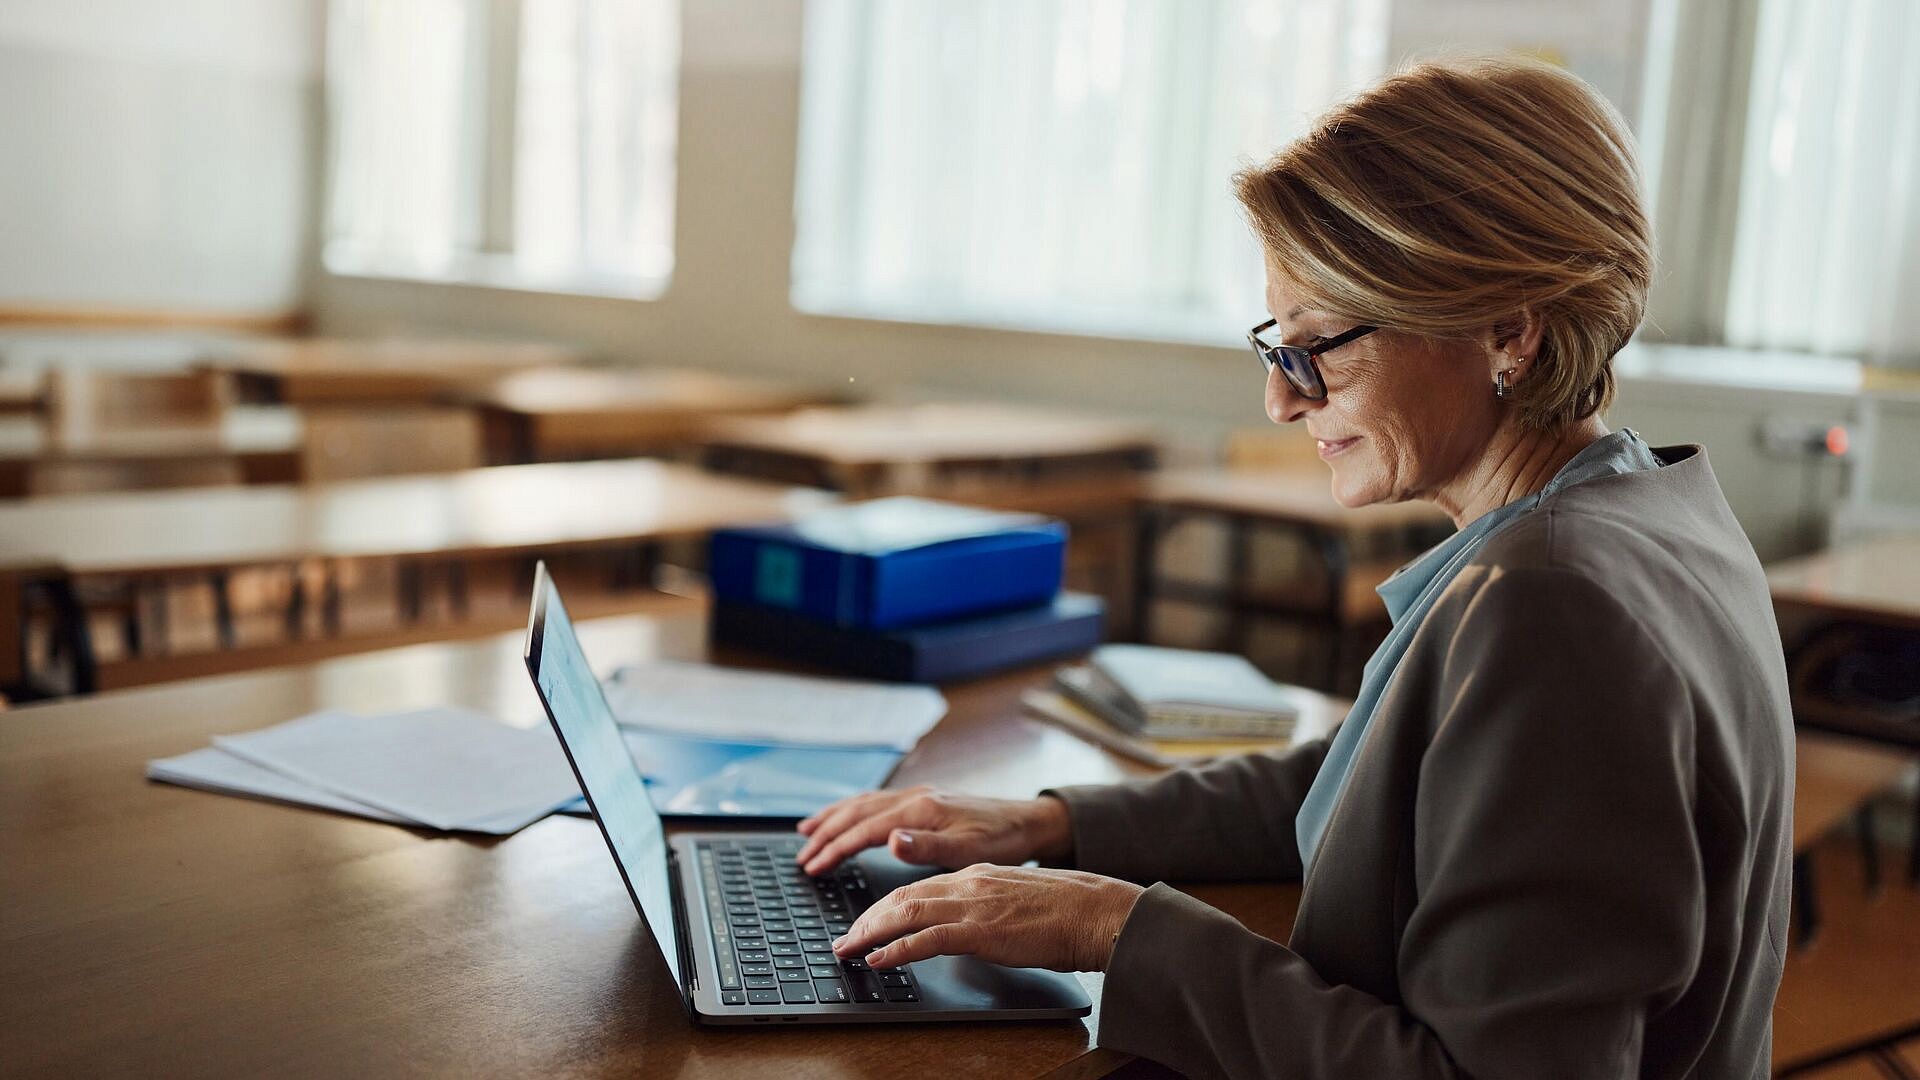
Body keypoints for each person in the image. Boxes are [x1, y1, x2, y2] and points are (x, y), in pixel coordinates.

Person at [795, 56, 1792, 1079]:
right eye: (1277, 343)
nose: (1281, 399)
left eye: (1319, 346)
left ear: (1508, 329)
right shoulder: (1650, 507)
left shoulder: (1548, 602)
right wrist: (1052, 824)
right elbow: (1383, 783)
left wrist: (1120, 931)